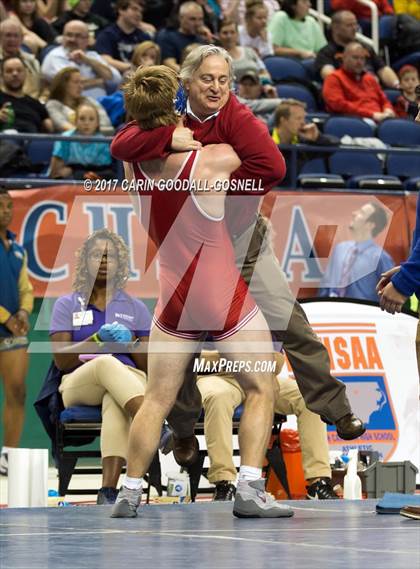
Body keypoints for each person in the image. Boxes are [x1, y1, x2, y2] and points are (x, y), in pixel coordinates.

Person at [111, 44, 365, 442]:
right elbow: (122, 143)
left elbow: (274, 167)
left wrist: (226, 194)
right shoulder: (167, 107)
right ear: (187, 81)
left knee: (289, 320)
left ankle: (337, 407)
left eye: (224, 80)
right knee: (181, 350)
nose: (216, 87)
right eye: (207, 79)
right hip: (189, 251)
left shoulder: (237, 115)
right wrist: (165, 137)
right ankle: (181, 431)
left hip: (242, 240)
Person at [111, 63, 294, 520]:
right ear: (176, 107)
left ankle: (129, 493)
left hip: (173, 298)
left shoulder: (130, 162)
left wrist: (161, 131)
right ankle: (249, 491)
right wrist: (219, 106)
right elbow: (266, 161)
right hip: (220, 295)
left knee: (156, 399)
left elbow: (129, 138)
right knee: (261, 385)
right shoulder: (211, 158)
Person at [49, 228, 151, 504]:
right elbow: (62, 360)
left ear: (121, 264)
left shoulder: (136, 308)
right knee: (106, 361)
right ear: (85, 262)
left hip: (127, 382)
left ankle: (108, 491)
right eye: (97, 255)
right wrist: (96, 339)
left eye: (111, 256)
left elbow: (148, 366)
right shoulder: (66, 304)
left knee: (114, 401)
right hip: (78, 383)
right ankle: (153, 423)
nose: (104, 260)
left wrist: (130, 342)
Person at [197, 348, 338, 501]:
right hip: (216, 378)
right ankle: (223, 482)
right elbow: (195, 358)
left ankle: (318, 483)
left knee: (308, 397)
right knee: (218, 397)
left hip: (260, 377)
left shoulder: (265, 323)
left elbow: (277, 360)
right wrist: (240, 358)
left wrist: (237, 358)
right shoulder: (200, 323)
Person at [0, 187, 34, 476]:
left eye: (9, 206)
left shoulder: (18, 248)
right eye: (0, 206)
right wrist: (5, 316)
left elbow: (26, 288)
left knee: (18, 392)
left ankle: (8, 456)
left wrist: (22, 312)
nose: (6, 211)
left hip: (11, 335)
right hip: (5, 324)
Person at [319, 202, 394, 302]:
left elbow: (390, 293)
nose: (354, 213)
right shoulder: (339, 249)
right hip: (331, 310)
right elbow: (326, 284)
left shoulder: (380, 258)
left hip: (362, 314)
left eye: (361, 213)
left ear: (370, 225)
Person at [313, 10, 400, 89]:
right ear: (336, 28)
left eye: (355, 24)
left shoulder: (365, 47)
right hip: (351, 92)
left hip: (375, 90)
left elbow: (383, 69)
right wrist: (362, 82)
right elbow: (330, 76)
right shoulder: (326, 52)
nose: (354, 28)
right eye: (349, 25)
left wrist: (397, 85)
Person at [41, 20, 122, 100]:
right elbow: (69, 84)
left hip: (103, 105)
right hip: (74, 107)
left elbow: (115, 79)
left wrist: (87, 60)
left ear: (87, 40)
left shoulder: (93, 55)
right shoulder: (56, 55)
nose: (72, 39)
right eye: (68, 35)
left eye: (78, 36)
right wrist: (100, 81)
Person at [271, 98, 339, 186]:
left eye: (303, 118)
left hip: (289, 195)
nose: (303, 123)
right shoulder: (262, 141)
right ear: (283, 120)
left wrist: (317, 138)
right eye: (298, 118)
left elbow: (334, 146)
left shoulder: (302, 144)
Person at [322, 41, 396, 122]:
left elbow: (384, 100)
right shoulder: (334, 78)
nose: (359, 62)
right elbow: (338, 105)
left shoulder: (370, 79)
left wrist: (388, 110)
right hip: (355, 121)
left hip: (380, 118)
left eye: (362, 58)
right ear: (344, 58)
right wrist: (372, 115)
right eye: (355, 57)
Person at [49, 102, 113, 180]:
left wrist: (78, 171)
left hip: (95, 174)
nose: (86, 123)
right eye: (82, 119)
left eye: (91, 119)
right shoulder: (65, 138)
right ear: (76, 121)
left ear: (97, 123)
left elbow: (104, 168)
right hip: (72, 177)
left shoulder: (102, 141)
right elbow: (56, 173)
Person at [46, 67, 113, 134]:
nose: (81, 86)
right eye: (76, 82)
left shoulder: (88, 101)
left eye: (81, 82)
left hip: (97, 140)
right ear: (64, 85)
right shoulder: (53, 104)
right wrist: (86, 133)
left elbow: (106, 123)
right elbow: (61, 124)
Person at [94, 0, 152, 76]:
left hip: (140, 77)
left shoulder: (144, 37)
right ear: (121, 10)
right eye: (134, 9)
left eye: (141, 12)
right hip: (116, 78)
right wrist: (132, 68)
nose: (139, 14)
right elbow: (105, 59)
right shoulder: (107, 35)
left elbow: (151, 60)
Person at [0, 55, 53, 133]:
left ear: (25, 74)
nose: (15, 74)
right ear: (2, 75)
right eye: (9, 71)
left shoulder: (36, 104)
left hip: (33, 139)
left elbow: (50, 129)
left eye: (19, 70)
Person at [218, 19, 273, 86]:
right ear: (219, 35)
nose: (229, 36)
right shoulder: (217, 57)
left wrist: (266, 85)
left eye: (232, 32)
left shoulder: (250, 51)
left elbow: (264, 72)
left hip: (258, 89)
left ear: (237, 34)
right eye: (225, 33)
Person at [156, 1, 206, 72]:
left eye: (200, 19)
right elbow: (170, 66)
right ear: (180, 18)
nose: (197, 23)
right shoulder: (167, 36)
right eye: (192, 19)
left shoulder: (201, 39)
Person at [0, 19, 42, 98]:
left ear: (22, 39)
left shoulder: (32, 61)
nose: (12, 40)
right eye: (8, 35)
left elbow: (40, 89)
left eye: (16, 36)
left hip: (31, 105)